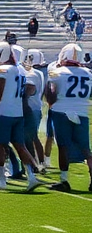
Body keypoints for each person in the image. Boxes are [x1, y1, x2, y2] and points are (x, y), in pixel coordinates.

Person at [0, 41, 42, 191]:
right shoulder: (21, 69)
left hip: (4, 111)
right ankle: (32, 176)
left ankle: (2, 179)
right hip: (18, 112)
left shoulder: (2, 69)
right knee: (20, 145)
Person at [46, 43, 92, 192]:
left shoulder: (57, 73)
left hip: (62, 112)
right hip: (82, 112)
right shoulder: (89, 73)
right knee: (86, 149)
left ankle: (64, 180)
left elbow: (51, 96)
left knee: (63, 146)